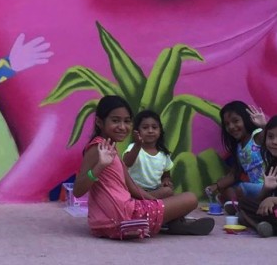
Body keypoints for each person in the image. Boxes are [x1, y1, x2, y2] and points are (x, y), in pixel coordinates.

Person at [73, 95, 214, 239]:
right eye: (115, 120)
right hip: (123, 217)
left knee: (167, 195)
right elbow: (77, 191)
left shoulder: (109, 148)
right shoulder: (97, 148)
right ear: (99, 122)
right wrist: (100, 166)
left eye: (127, 121)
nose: (122, 127)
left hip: (119, 214)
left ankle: (171, 222)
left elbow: (132, 188)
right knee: (191, 199)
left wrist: (155, 204)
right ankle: (168, 223)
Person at [205, 101, 266, 208]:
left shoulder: (257, 136)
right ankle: (239, 205)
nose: (231, 126)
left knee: (241, 188)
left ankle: (242, 206)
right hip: (253, 188)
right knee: (225, 186)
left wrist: (264, 125)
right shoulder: (238, 148)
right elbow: (234, 174)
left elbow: (272, 138)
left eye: (236, 121)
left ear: (246, 119)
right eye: (227, 124)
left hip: (267, 187)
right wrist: (216, 186)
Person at [123, 110, 174, 199]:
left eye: (154, 127)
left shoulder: (163, 154)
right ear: (137, 131)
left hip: (155, 191)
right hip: (135, 190)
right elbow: (126, 163)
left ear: (160, 131)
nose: (150, 131)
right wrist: (137, 145)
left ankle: (145, 201)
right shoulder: (134, 147)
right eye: (145, 128)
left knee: (168, 191)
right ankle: (148, 201)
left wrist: (166, 181)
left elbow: (166, 175)